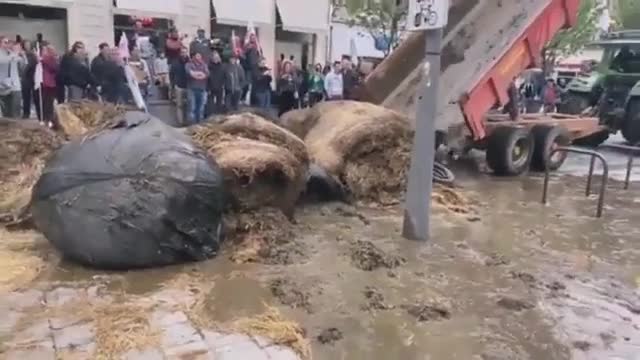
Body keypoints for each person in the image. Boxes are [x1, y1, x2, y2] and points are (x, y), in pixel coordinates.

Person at [0, 36, 25, 117]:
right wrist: (14, 54)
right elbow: (3, 61)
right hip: (3, 87)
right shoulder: (4, 54)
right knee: (6, 113)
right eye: (5, 42)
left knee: (16, 112)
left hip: (15, 86)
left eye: (8, 42)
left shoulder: (12, 53)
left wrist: (23, 56)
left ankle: (16, 128)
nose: (7, 44)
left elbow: (23, 67)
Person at [39, 44, 59, 128]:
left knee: (48, 103)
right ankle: (47, 119)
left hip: (49, 83)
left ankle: (48, 119)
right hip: (47, 83)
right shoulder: (48, 59)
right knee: (47, 103)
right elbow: (54, 68)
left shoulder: (48, 59)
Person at [185, 52, 209, 123]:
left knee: (201, 108)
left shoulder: (204, 65)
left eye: (199, 56)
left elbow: (207, 74)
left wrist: (198, 74)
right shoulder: (189, 64)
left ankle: (199, 123)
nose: (198, 57)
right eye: (197, 56)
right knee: (192, 107)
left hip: (202, 89)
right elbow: (190, 73)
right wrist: (199, 74)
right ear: (193, 57)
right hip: (192, 88)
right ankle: (192, 124)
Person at [170, 47, 190, 125]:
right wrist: (172, 85)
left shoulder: (190, 62)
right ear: (180, 53)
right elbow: (171, 74)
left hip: (188, 86)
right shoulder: (175, 62)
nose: (183, 54)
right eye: (182, 52)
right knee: (179, 105)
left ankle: (188, 121)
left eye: (185, 52)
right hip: (178, 86)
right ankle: (180, 122)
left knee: (188, 105)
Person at [20, 40, 38, 119]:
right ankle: (26, 113)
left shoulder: (33, 54)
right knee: (26, 97)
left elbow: (37, 63)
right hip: (26, 78)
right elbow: (24, 66)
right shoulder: (22, 54)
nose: (27, 46)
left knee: (36, 96)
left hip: (33, 77)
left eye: (29, 44)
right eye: (26, 44)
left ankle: (38, 112)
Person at [207, 51, 225, 115]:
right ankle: (210, 116)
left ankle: (218, 115)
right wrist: (208, 88)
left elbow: (224, 76)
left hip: (220, 87)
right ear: (212, 58)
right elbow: (207, 78)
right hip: (211, 87)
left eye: (217, 57)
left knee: (219, 104)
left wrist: (223, 84)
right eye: (214, 57)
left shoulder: (222, 66)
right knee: (210, 105)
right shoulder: (208, 66)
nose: (216, 59)